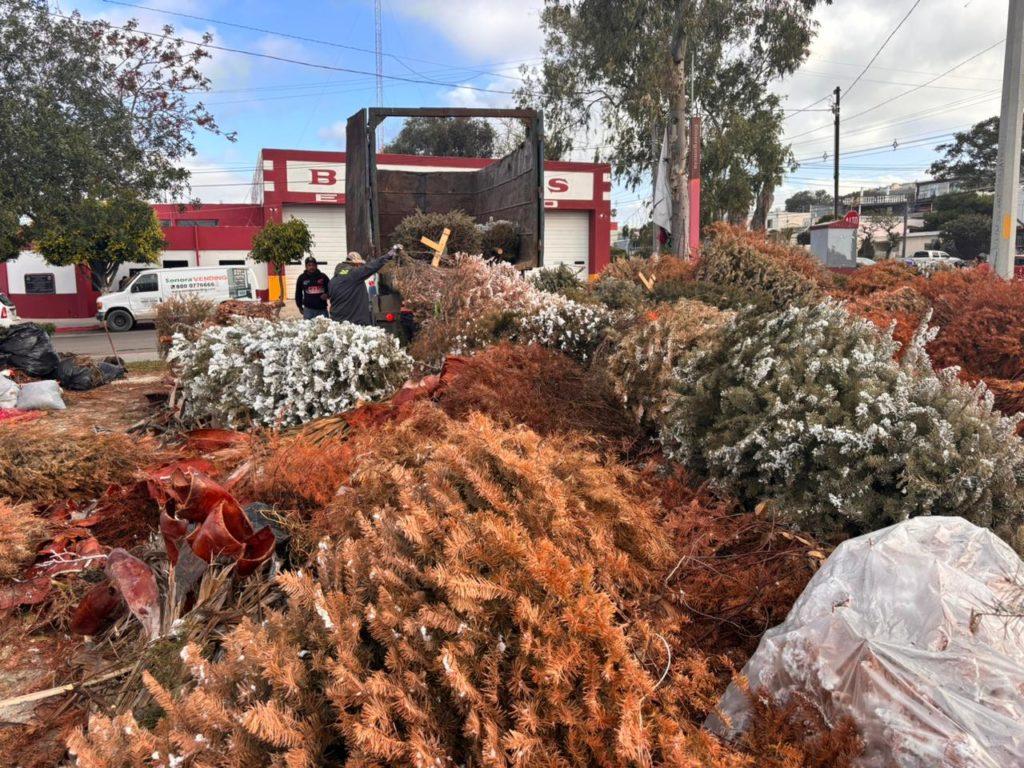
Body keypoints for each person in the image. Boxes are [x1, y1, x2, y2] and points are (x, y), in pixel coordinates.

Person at [328, 246, 402, 326]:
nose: (360, 267)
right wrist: (389, 255)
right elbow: (371, 267)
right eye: (360, 265)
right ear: (356, 264)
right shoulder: (354, 274)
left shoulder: (333, 280)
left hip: (337, 323)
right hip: (355, 323)